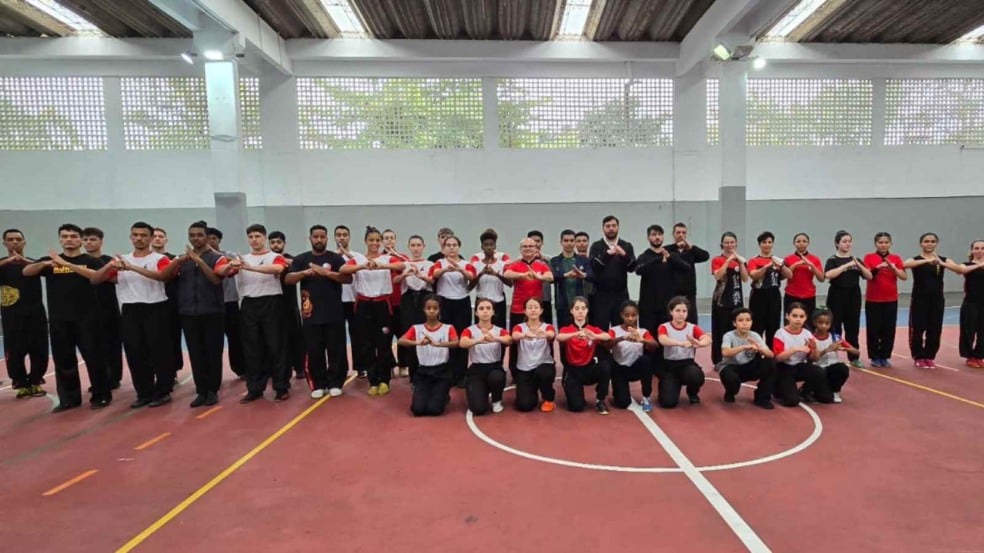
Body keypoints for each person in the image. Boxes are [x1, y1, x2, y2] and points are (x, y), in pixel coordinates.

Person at [23, 224, 111, 411]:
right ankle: (69, 399)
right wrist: (45, 264)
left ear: (80, 239)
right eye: (65, 236)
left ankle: (101, 395)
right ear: (60, 239)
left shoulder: (91, 260)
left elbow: (97, 277)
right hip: (59, 319)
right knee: (63, 360)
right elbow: (27, 272)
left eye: (73, 236)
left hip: (88, 318)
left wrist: (68, 265)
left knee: (95, 358)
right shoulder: (50, 261)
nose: (69, 239)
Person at [92, 222, 175, 408]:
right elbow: (95, 280)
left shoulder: (160, 258)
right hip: (130, 310)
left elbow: (163, 276)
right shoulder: (121, 259)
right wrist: (109, 266)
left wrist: (132, 268)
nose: (139, 238)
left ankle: (163, 391)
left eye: (143, 235)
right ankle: (143, 392)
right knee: (135, 353)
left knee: (159, 352)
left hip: (155, 307)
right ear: (130, 237)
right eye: (135, 235)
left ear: (151, 238)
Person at [217, 224, 291, 403]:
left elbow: (278, 270)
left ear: (264, 238)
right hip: (249, 303)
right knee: (252, 348)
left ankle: (281, 387)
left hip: (272, 302)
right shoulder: (242, 258)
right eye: (251, 236)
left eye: (257, 236)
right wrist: (230, 267)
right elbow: (219, 271)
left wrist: (249, 268)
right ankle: (255, 388)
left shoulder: (275, 257)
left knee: (276, 346)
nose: (254, 239)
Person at [159, 221, 228, 407]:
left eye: (199, 235)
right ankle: (201, 391)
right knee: (196, 353)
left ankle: (212, 390)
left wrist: (198, 261)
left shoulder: (217, 257)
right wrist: (179, 261)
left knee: (212, 352)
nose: (195, 238)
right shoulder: (182, 259)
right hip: (188, 313)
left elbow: (215, 279)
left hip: (213, 311)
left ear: (206, 237)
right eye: (192, 235)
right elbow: (164, 277)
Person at [285, 225, 351, 398]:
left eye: (322, 236)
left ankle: (336, 382)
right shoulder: (301, 259)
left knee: (336, 350)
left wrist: (326, 273)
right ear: (310, 238)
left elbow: (347, 278)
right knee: (314, 351)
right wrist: (304, 273)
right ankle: (317, 384)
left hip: (334, 312)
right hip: (311, 314)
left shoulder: (335, 258)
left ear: (327, 238)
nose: (319, 240)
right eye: (316, 237)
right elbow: (288, 279)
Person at [341, 226, 405, 396]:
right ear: (365, 242)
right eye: (371, 240)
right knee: (366, 345)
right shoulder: (358, 258)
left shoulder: (387, 258)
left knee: (383, 345)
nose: (375, 243)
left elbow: (402, 265)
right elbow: (343, 270)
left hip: (382, 305)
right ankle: (373, 380)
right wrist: (363, 266)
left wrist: (379, 264)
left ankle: (384, 380)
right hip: (363, 305)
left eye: (378, 240)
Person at [904, 233, 965, 369]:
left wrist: (942, 263)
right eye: (926, 241)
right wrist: (926, 261)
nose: (929, 244)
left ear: (936, 243)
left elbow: (960, 270)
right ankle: (918, 356)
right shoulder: (916, 259)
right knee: (918, 328)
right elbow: (905, 265)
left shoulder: (943, 259)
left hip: (937, 299)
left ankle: (930, 356)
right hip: (919, 299)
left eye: (932, 241)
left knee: (935, 328)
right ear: (921, 243)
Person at [0, 229, 48, 398]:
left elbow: (45, 268)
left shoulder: (33, 264)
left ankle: (35, 382)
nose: (14, 242)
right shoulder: (2, 266)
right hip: (11, 315)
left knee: (39, 348)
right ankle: (20, 383)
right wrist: (7, 261)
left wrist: (23, 260)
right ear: (4, 243)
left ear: (24, 242)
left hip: (35, 314)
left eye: (18, 239)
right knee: (14, 350)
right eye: (10, 239)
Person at [398, 294, 458, 416]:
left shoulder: (448, 328)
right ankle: (426, 392)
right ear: (424, 309)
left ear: (439, 310)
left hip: (442, 371)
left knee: (434, 410)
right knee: (417, 410)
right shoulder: (416, 328)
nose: (431, 311)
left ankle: (444, 395)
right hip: (423, 372)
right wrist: (417, 342)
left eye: (435, 308)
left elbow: (456, 343)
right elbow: (400, 340)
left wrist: (439, 344)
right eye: (428, 308)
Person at [428, 235, 475, 388]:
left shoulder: (466, 263)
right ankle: (448, 374)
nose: (452, 247)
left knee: (461, 338)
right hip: (445, 302)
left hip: (462, 302)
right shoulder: (438, 263)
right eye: (448, 245)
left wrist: (460, 269)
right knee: (446, 338)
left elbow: (471, 276)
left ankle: (461, 374)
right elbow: (433, 275)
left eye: (455, 244)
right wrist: (444, 270)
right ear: (444, 248)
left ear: (459, 247)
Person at [82, 227, 123, 390]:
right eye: (85, 239)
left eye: (92, 239)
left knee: (112, 345)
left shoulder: (109, 260)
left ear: (101, 242)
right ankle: (99, 380)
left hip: (108, 307)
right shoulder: (79, 261)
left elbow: (114, 279)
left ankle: (114, 377)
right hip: (86, 309)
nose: (88, 243)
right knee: (92, 347)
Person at [824, 231, 871, 369]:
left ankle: (854, 357)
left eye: (849, 241)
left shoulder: (856, 260)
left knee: (852, 327)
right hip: (836, 295)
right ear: (837, 243)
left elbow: (869, 276)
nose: (847, 244)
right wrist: (845, 266)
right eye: (844, 241)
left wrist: (858, 265)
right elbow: (828, 275)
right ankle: (833, 357)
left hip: (853, 295)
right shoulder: (832, 260)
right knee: (834, 327)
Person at [557, 296, 612, 414]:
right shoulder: (567, 329)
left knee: (605, 366)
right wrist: (575, 334)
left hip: (588, 369)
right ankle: (576, 393)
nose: (580, 311)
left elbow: (608, 336)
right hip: (573, 371)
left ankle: (600, 400)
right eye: (577, 308)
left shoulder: (592, 329)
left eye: (583, 308)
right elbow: (559, 337)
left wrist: (595, 336)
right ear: (572, 311)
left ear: (587, 311)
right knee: (576, 407)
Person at [459, 297, 512, 415]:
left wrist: (494, 338)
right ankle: (482, 390)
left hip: (494, 367)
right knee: (478, 409)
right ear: (477, 313)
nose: (485, 311)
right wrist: (478, 339)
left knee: (497, 377)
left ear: (493, 312)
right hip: (476, 369)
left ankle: (497, 400)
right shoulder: (469, 330)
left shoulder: (499, 330)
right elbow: (462, 343)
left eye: (488, 308)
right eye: (481, 308)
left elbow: (509, 340)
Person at [772, 303, 831, 407]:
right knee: (792, 401)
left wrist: (815, 349)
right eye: (794, 316)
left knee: (819, 373)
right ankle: (778, 389)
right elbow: (778, 358)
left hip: (799, 366)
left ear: (805, 318)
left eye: (801, 316)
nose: (798, 319)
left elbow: (815, 359)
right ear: (787, 316)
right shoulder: (780, 333)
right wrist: (795, 349)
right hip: (784, 368)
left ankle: (804, 391)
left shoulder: (807, 334)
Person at [863, 232, 907, 368]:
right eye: (880, 242)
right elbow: (867, 276)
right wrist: (878, 267)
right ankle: (874, 357)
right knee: (873, 328)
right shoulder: (869, 257)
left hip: (891, 299)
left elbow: (904, 276)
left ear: (890, 243)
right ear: (876, 243)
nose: (883, 245)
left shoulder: (896, 258)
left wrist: (894, 268)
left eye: (886, 242)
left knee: (888, 329)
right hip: (873, 299)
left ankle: (885, 356)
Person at [635, 224, 688, 335]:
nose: (657, 237)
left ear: (663, 237)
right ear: (648, 237)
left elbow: (686, 268)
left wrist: (670, 257)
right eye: (654, 235)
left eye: (659, 234)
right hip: (648, 307)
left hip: (666, 306)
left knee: (665, 338)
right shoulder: (644, 256)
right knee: (649, 340)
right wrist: (658, 259)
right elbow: (639, 270)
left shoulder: (670, 255)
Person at [656, 297, 710, 408]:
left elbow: (707, 338)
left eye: (684, 311)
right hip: (669, 366)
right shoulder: (664, 327)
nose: (681, 314)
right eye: (678, 311)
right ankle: (669, 385)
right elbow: (662, 339)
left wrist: (699, 343)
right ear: (671, 312)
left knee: (696, 376)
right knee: (667, 403)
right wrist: (680, 343)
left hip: (687, 364)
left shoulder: (692, 327)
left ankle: (692, 393)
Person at [717, 307, 775, 409]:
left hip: (748, 367)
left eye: (748, 320)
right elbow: (725, 352)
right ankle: (730, 392)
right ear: (734, 323)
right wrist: (744, 347)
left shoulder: (755, 335)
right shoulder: (729, 336)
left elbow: (770, 354)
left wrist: (759, 348)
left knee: (770, 363)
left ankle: (762, 398)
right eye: (740, 320)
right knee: (732, 379)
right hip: (731, 367)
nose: (745, 323)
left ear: (752, 322)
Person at [207, 227, 246, 379]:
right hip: (211, 304)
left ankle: (241, 369)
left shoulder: (228, 254)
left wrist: (215, 254)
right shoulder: (201, 258)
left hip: (230, 302)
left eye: (214, 239)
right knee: (213, 342)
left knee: (236, 338)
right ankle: (213, 374)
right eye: (208, 239)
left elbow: (237, 262)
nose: (211, 242)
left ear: (219, 240)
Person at [394, 235, 433, 381]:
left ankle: (427, 371)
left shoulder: (429, 264)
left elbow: (432, 280)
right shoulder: (404, 264)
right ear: (409, 247)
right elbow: (395, 281)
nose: (416, 248)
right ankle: (414, 375)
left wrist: (420, 275)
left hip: (425, 298)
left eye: (418, 245)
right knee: (411, 335)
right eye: (413, 245)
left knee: (427, 333)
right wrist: (405, 274)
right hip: (409, 301)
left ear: (423, 247)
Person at [607, 300, 657, 411]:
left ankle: (646, 397)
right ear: (621, 315)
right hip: (619, 369)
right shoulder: (614, 330)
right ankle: (617, 392)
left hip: (635, 368)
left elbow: (655, 345)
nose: (630, 318)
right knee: (622, 403)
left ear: (637, 315)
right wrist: (622, 338)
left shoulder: (642, 331)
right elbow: (607, 344)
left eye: (633, 315)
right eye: (627, 315)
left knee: (646, 361)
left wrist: (642, 339)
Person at [588, 215, 636, 328]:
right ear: (603, 228)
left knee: (621, 328)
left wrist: (624, 255)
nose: (611, 228)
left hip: (621, 294)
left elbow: (632, 267)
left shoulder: (626, 246)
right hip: (600, 296)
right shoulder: (596, 246)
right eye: (608, 226)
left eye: (614, 226)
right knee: (600, 329)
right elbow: (593, 267)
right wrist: (607, 255)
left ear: (618, 227)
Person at [510, 297, 557, 412]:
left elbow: (552, 334)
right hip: (525, 369)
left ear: (541, 310)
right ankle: (532, 390)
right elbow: (514, 335)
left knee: (544, 373)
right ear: (525, 311)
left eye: (536, 307)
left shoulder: (547, 327)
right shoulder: (520, 327)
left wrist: (544, 334)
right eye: (530, 307)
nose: (533, 310)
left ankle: (548, 399)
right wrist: (525, 335)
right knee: (524, 406)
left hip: (543, 365)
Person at [270, 231, 306, 380]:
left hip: (289, 304)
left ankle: (300, 368)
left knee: (295, 337)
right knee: (275, 339)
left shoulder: (292, 259)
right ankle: (277, 369)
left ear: (284, 243)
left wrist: (286, 262)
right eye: (272, 242)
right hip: (271, 305)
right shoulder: (267, 260)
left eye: (278, 242)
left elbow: (297, 266)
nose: (275, 245)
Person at [710, 232, 749, 364]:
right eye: (726, 242)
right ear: (722, 244)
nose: (729, 245)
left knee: (737, 330)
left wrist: (741, 263)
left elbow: (745, 279)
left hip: (736, 300)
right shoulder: (717, 260)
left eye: (732, 242)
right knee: (720, 330)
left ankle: (736, 358)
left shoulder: (740, 260)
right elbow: (718, 276)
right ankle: (719, 360)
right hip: (721, 301)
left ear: (736, 243)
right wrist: (728, 260)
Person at [746, 231, 791, 345]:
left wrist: (781, 266)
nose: (767, 244)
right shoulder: (754, 260)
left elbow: (789, 275)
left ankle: (771, 357)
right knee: (757, 327)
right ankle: (756, 356)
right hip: (758, 295)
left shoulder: (778, 260)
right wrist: (766, 266)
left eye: (769, 242)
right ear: (760, 244)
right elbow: (753, 275)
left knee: (773, 327)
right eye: (764, 242)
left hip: (774, 295)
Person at [151, 227, 184, 377]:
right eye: (155, 236)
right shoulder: (145, 259)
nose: (157, 238)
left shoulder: (174, 259)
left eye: (160, 236)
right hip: (151, 304)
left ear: (166, 239)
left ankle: (174, 370)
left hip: (171, 304)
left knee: (173, 337)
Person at [335, 225, 366, 378]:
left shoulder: (357, 256)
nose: (341, 237)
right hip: (336, 302)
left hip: (354, 300)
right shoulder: (330, 257)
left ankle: (361, 367)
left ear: (349, 237)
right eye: (339, 235)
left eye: (345, 235)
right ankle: (341, 369)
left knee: (358, 335)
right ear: (334, 237)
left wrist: (347, 254)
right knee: (338, 337)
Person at [664, 223, 709, 325]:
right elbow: (661, 251)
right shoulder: (668, 250)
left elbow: (705, 256)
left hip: (689, 293)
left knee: (691, 321)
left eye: (683, 233)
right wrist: (676, 246)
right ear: (673, 234)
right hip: (672, 293)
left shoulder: (691, 250)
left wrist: (692, 247)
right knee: (671, 321)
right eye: (678, 232)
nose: (681, 235)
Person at [810, 307, 857, 404]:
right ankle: (812, 390)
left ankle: (835, 391)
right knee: (824, 398)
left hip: (832, 369)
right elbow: (813, 359)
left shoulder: (835, 337)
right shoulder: (811, 338)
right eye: (820, 322)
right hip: (819, 370)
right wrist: (827, 350)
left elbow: (856, 352)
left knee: (842, 368)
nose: (824, 326)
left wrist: (845, 348)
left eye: (827, 323)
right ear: (814, 322)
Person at [549, 229, 592, 329]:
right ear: (561, 242)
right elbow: (551, 278)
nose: (569, 243)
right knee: (563, 335)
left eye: (572, 240)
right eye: (566, 240)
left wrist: (583, 275)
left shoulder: (583, 260)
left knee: (581, 335)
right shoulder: (555, 261)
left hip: (580, 305)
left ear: (575, 242)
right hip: (562, 304)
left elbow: (591, 276)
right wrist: (565, 275)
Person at [469, 228, 511, 329]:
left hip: (498, 302)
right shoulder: (476, 264)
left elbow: (510, 284)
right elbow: (469, 287)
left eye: (491, 244)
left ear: (495, 246)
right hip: (481, 301)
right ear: (482, 246)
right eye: (486, 245)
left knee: (500, 330)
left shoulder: (502, 264)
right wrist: (480, 274)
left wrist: (496, 274)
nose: (488, 247)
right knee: (480, 330)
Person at [382, 229, 410, 377]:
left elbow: (408, 266)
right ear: (382, 241)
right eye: (386, 238)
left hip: (401, 303)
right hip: (385, 303)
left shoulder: (403, 258)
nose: (389, 241)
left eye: (392, 238)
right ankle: (390, 364)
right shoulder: (379, 259)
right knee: (385, 336)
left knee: (402, 335)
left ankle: (404, 364)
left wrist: (397, 256)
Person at [783, 233, 824, 320]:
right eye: (798, 241)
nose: (801, 243)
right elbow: (786, 275)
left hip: (809, 295)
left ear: (808, 243)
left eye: (804, 241)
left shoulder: (814, 259)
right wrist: (796, 264)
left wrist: (812, 266)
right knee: (790, 321)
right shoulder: (788, 258)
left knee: (809, 323)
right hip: (791, 295)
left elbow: (821, 278)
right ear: (794, 243)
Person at [959, 240, 984, 367]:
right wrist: (979, 265)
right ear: (972, 250)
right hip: (971, 302)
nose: (980, 250)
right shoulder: (967, 264)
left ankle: (979, 355)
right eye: (977, 248)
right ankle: (969, 356)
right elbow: (961, 270)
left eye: (982, 248)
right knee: (969, 330)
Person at [527, 230, 553, 323]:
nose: (535, 244)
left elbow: (554, 277)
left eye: (538, 241)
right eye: (532, 241)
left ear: (542, 243)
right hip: (528, 299)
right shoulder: (521, 260)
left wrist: (543, 259)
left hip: (545, 298)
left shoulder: (549, 260)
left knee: (547, 326)